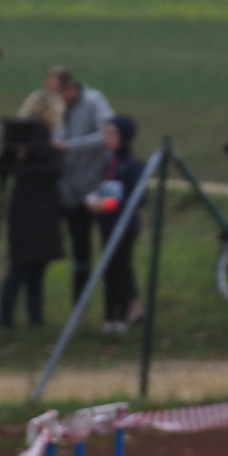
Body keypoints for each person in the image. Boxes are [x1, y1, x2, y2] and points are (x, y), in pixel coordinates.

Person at [0, 90, 65, 330]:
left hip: (21, 206)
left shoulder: (18, 135)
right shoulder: (41, 136)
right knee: (31, 268)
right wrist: (56, 153)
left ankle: (13, 317)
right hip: (41, 209)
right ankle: (29, 318)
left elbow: (1, 166)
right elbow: (52, 170)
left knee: (23, 265)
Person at [47, 67, 114, 302]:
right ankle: (80, 304)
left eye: (55, 92)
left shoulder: (94, 101)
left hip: (98, 187)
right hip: (71, 191)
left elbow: (108, 135)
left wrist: (71, 145)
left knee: (112, 248)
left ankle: (117, 304)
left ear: (69, 88)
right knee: (79, 251)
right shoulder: (54, 109)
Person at [84, 114, 145, 335]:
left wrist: (110, 204)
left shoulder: (133, 165)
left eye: (112, 134)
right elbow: (104, 189)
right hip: (107, 226)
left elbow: (139, 198)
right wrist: (94, 201)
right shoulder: (108, 163)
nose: (107, 138)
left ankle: (120, 317)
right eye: (106, 134)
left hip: (125, 228)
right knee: (109, 270)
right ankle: (109, 317)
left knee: (120, 269)